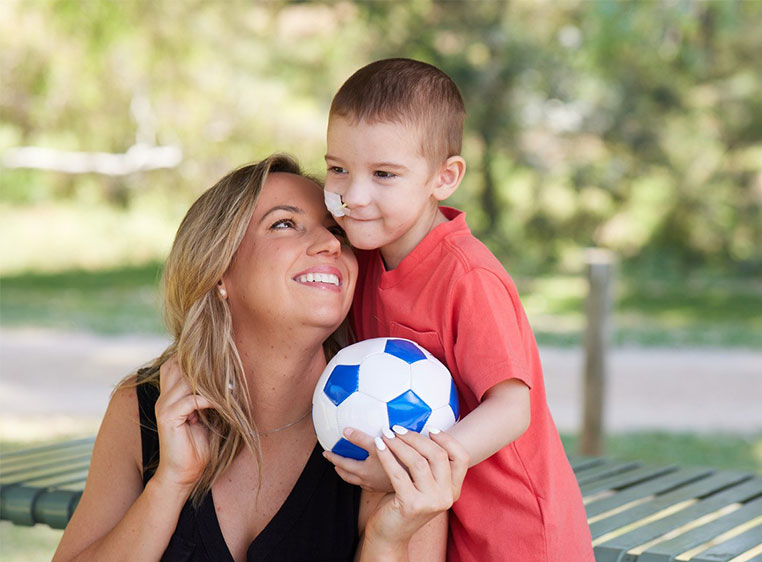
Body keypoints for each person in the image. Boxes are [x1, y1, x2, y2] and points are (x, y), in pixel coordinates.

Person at [52, 154, 468, 562]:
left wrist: (387, 537)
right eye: (285, 224)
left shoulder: (403, 418)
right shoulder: (145, 408)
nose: (329, 244)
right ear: (219, 269)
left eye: (336, 231)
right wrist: (170, 484)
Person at [321, 59, 594, 562]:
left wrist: (407, 466)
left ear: (444, 178)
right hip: (441, 522)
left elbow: (512, 409)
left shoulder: (468, 277)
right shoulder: (360, 261)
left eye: (384, 174)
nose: (353, 195)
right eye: (338, 168)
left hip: (519, 532)